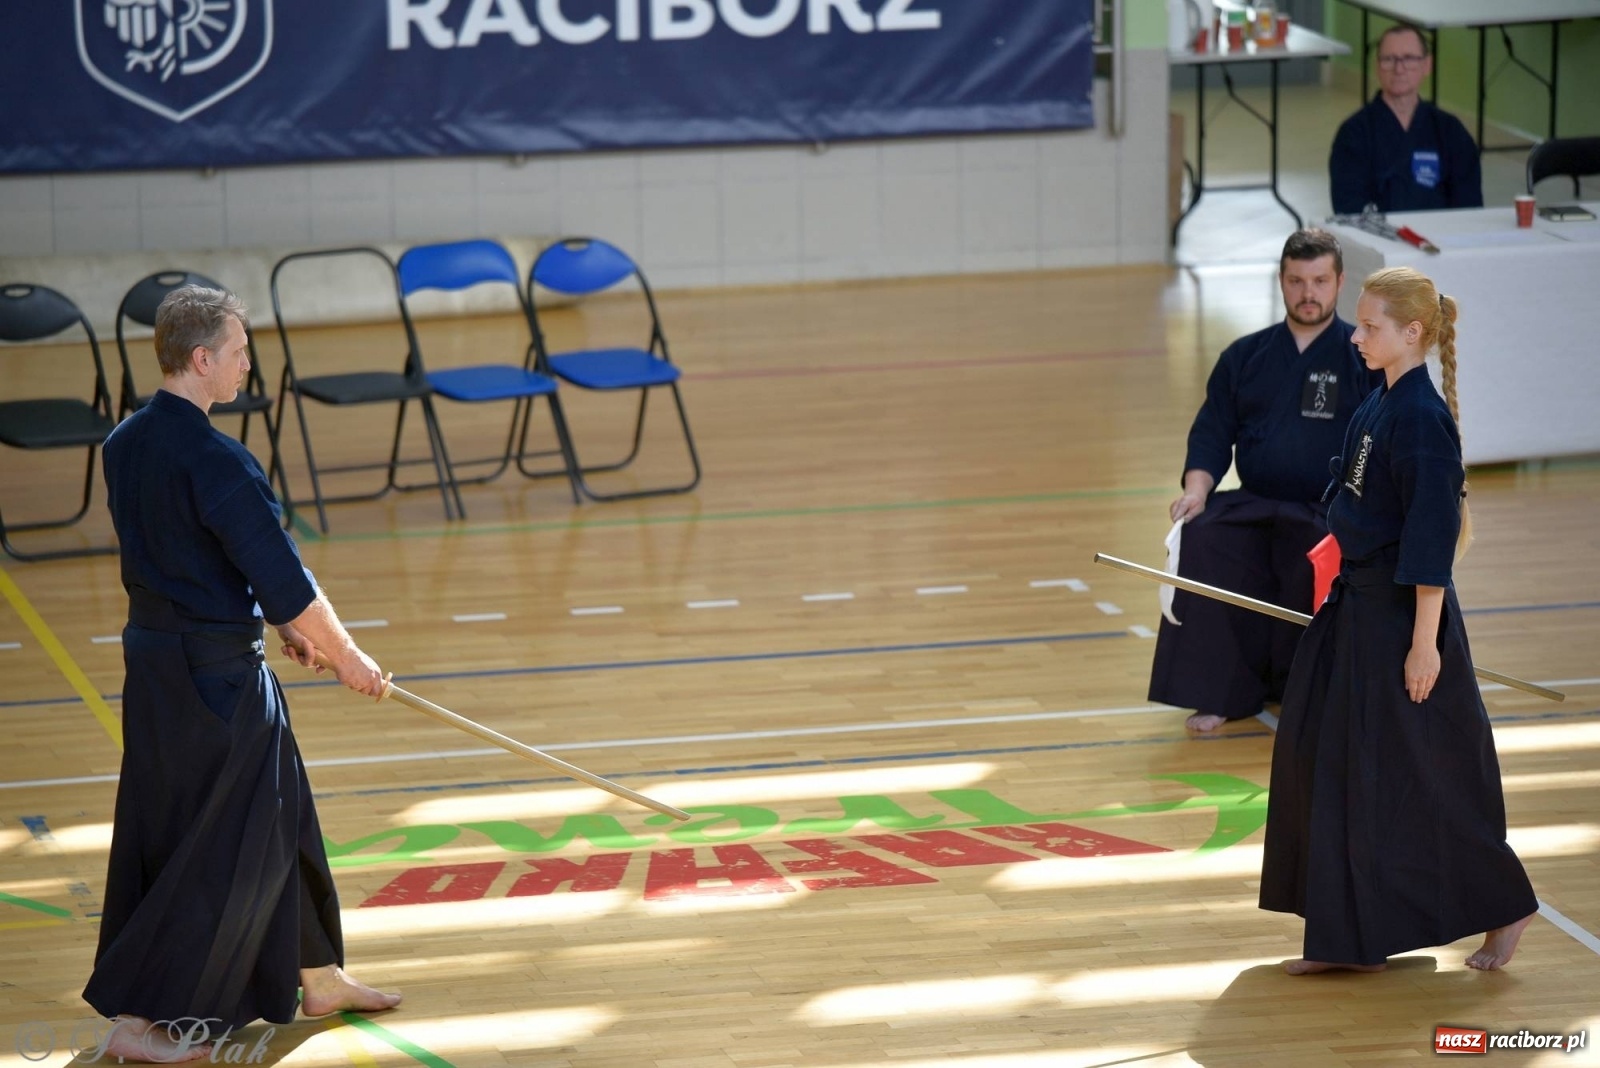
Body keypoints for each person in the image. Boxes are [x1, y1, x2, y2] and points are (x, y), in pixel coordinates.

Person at [83, 285, 401, 1063]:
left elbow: (193, 560)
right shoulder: (219, 458)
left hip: (159, 666)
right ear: (201, 360)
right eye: (238, 351)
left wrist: (277, 624)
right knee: (213, 848)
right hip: (214, 680)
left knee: (279, 813)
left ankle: (316, 973)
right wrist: (348, 656)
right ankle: (142, 1021)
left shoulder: (125, 442)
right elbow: (285, 575)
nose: (245, 363)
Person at [1259, 266, 1537, 974]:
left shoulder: (1422, 421)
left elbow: (1429, 543)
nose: (1357, 336)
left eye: (1373, 326)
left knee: (1428, 776)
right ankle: (1347, 936)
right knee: (1333, 764)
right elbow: (1354, 498)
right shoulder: (1381, 402)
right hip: (1357, 610)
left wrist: (1423, 647)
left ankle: (1507, 905)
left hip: (1401, 624)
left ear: (1412, 333)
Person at [1148, 229, 1384, 733]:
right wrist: (1195, 491)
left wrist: (1356, 504)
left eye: (1320, 280)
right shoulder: (1245, 356)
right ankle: (1221, 692)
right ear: (1281, 281)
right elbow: (1212, 431)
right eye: (1297, 280)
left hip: (1326, 508)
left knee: (1320, 554)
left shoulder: (1361, 357)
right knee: (1206, 537)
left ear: (1340, 283)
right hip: (1256, 500)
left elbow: (1377, 442)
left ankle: (1316, 694)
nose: (1308, 292)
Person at [1329, 23, 1483, 215]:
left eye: (1409, 59)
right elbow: (1348, 207)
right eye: (1389, 59)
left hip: (1441, 238)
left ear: (1427, 65)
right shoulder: (1354, 133)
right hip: (1377, 239)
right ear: (1377, 66)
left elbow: (1469, 206)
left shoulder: (1450, 131)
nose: (1399, 69)